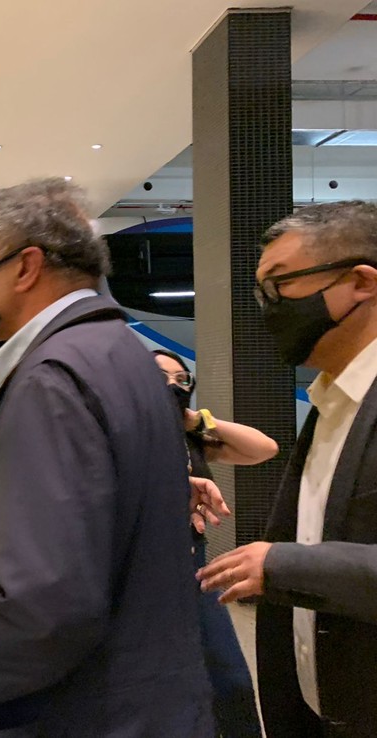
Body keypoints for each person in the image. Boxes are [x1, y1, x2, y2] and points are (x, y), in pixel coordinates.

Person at [0, 178, 212, 736]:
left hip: (77, 711)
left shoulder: (50, 383)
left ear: (25, 267)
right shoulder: (124, 354)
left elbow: (42, 605)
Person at [198, 201, 377, 737]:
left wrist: (288, 567)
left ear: (361, 283)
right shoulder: (332, 401)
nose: (268, 307)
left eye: (281, 285)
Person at [154, 349, 277, 738]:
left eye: (180, 380)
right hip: (146, 574)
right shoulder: (122, 434)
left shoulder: (192, 439)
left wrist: (198, 419)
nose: (172, 386)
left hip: (195, 570)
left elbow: (265, 448)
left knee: (231, 680)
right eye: (160, 377)